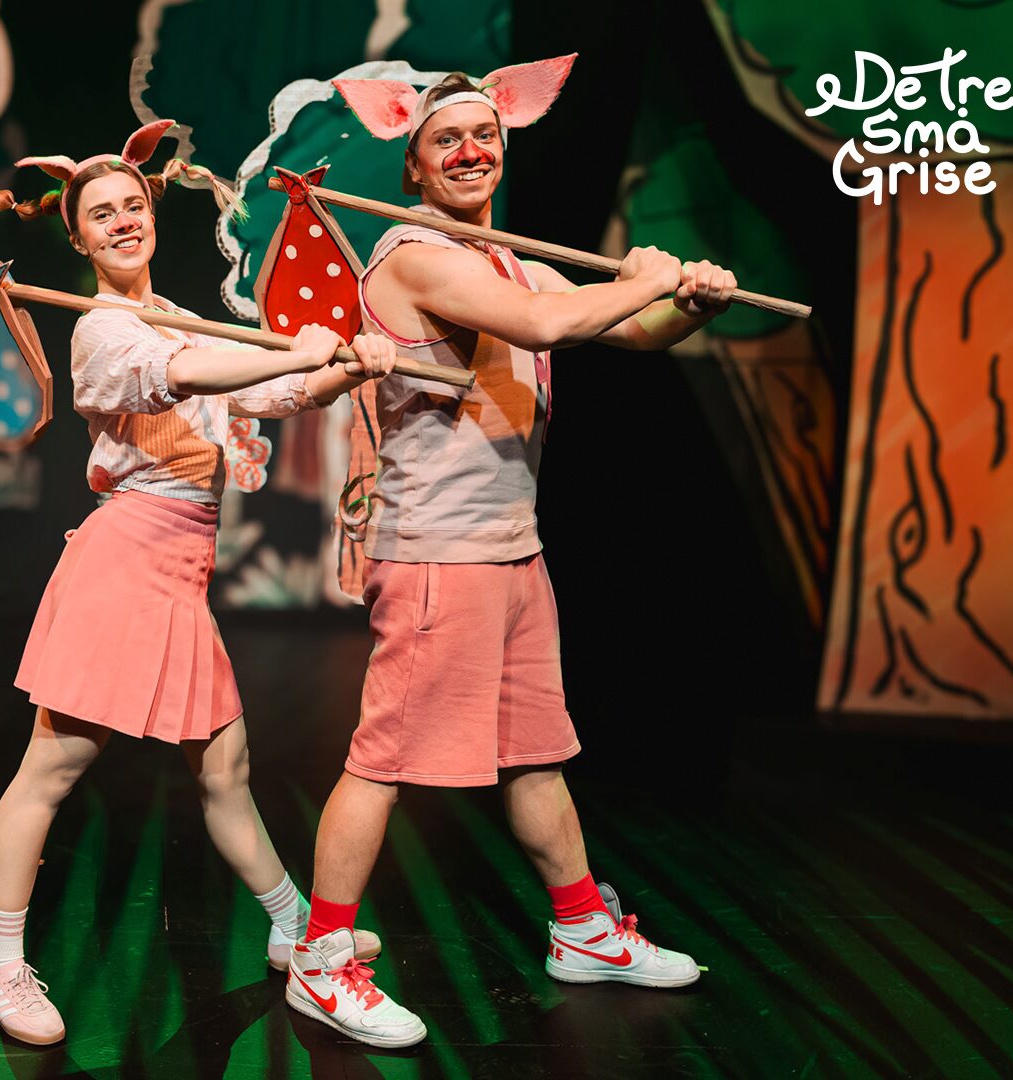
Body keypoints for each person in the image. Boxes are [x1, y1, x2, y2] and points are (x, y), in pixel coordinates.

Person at [291, 57, 737, 1048]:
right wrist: (636, 277)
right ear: (413, 166)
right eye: (445, 139)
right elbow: (549, 323)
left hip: (511, 551)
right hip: (438, 555)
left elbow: (633, 330)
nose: (469, 151)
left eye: (483, 135)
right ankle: (321, 960)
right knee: (383, 763)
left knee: (537, 753)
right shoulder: (412, 254)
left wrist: (688, 302)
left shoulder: (509, 260)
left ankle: (583, 929)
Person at [0, 119, 396, 1046]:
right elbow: (184, 373)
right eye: (100, 214)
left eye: (132, 206)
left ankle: (289, 927)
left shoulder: (175, 314)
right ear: (79, 238)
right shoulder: (104, 330)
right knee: (51, 769)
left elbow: (264, 391)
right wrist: (296, 349)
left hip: (181, 570)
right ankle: (0, 962)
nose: (122, 221)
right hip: (126, 561)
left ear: (153, 215)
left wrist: (341, 364)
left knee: (226, 770)